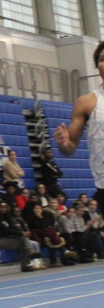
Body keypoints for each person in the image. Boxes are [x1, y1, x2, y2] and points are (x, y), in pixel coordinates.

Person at [55, 39, 104, 208]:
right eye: (102, 59)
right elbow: (69, 148)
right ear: (97, 66)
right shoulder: (86, 102)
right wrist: (64, 143)